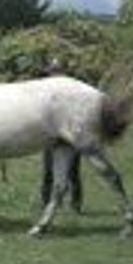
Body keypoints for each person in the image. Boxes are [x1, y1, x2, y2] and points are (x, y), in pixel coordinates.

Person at [40, 58, 83, 213]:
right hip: (51, 135)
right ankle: (46, 203)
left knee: (72, 172)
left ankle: (75, 204)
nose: (53, 75)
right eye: (52, 71)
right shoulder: (47, 93)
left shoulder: (72, 91)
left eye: (55, 71)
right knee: (48, 171)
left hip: (70, 134)